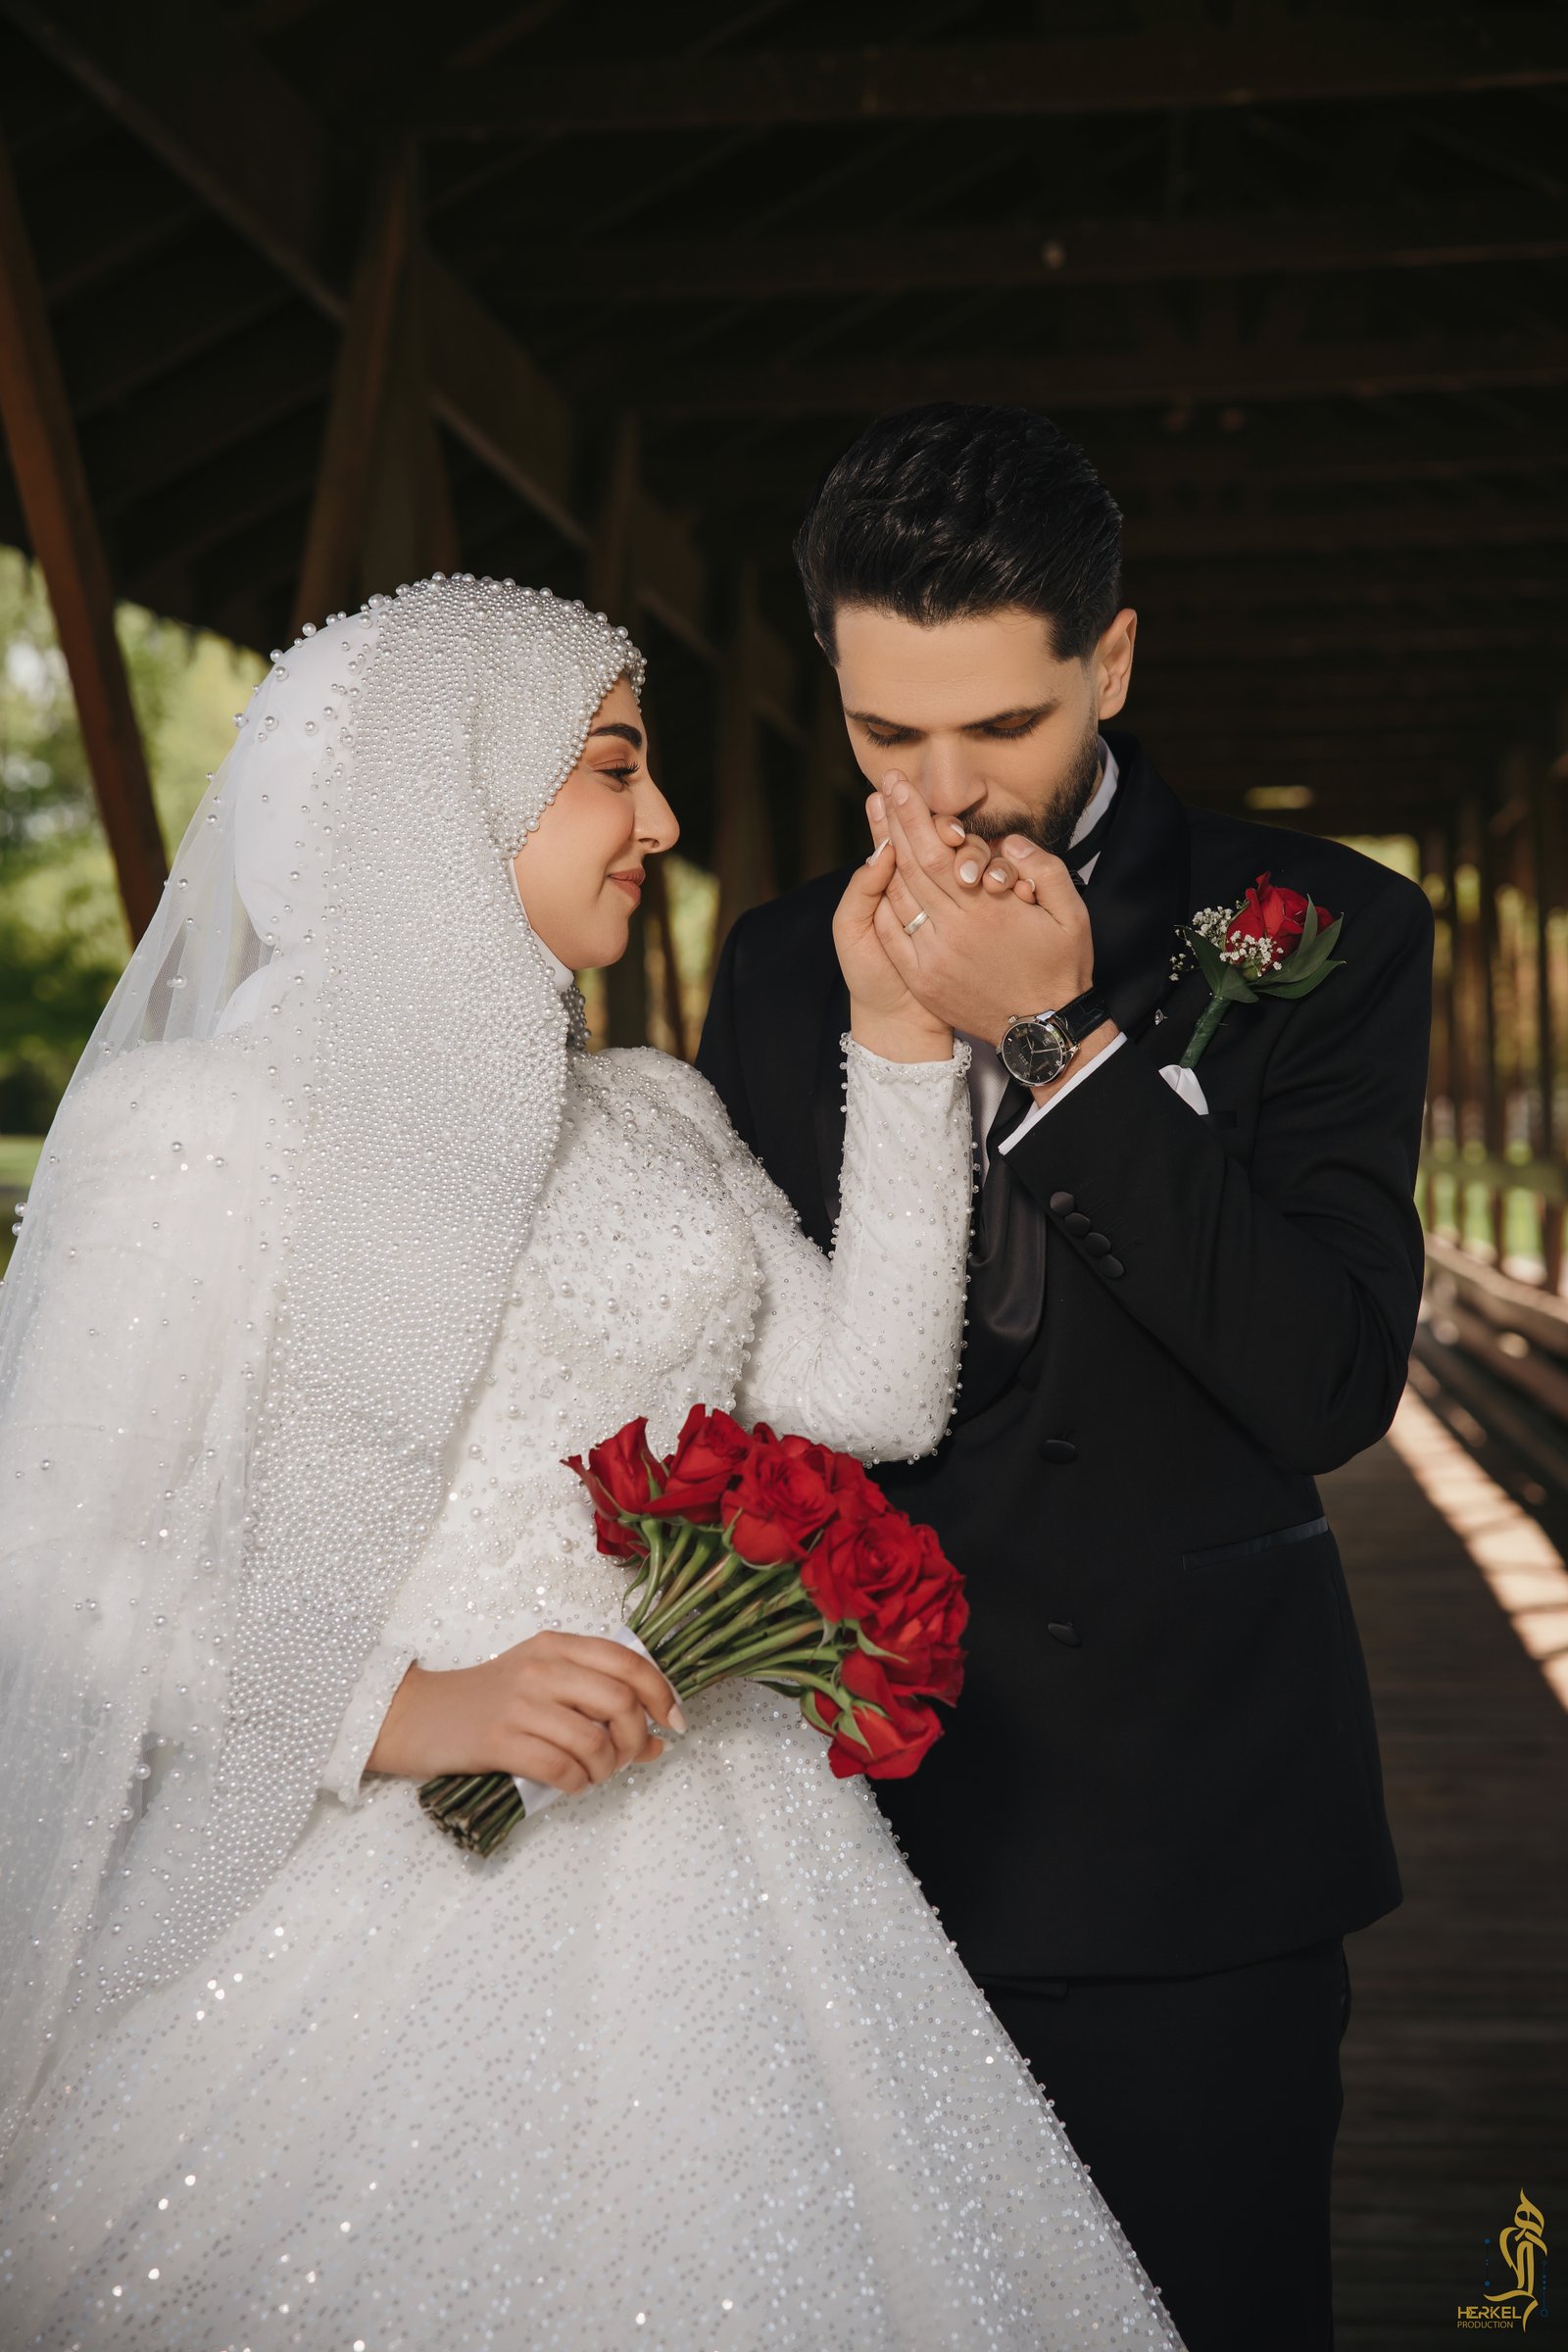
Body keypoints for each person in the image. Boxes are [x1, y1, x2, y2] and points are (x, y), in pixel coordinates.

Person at [0, 576, 1183, 2351]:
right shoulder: (206, 1125)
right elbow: (40, 1570)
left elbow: (873, 1397)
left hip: (743, 1857)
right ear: (444, 787)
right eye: (616, 767)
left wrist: (900, 1040)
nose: (667, 820)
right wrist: (403, 1708)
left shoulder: (652, 1111)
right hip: (392, 1877)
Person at [697, 403, 1436, 2352]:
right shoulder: (771, 967)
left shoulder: (1329, 930)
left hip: (1194, 1837)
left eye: (1001, 726)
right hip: (851, 1839)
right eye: (883, 733)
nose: (943, 792)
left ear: (1108, 661)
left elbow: (1326, 1382)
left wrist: (1053, 1048)